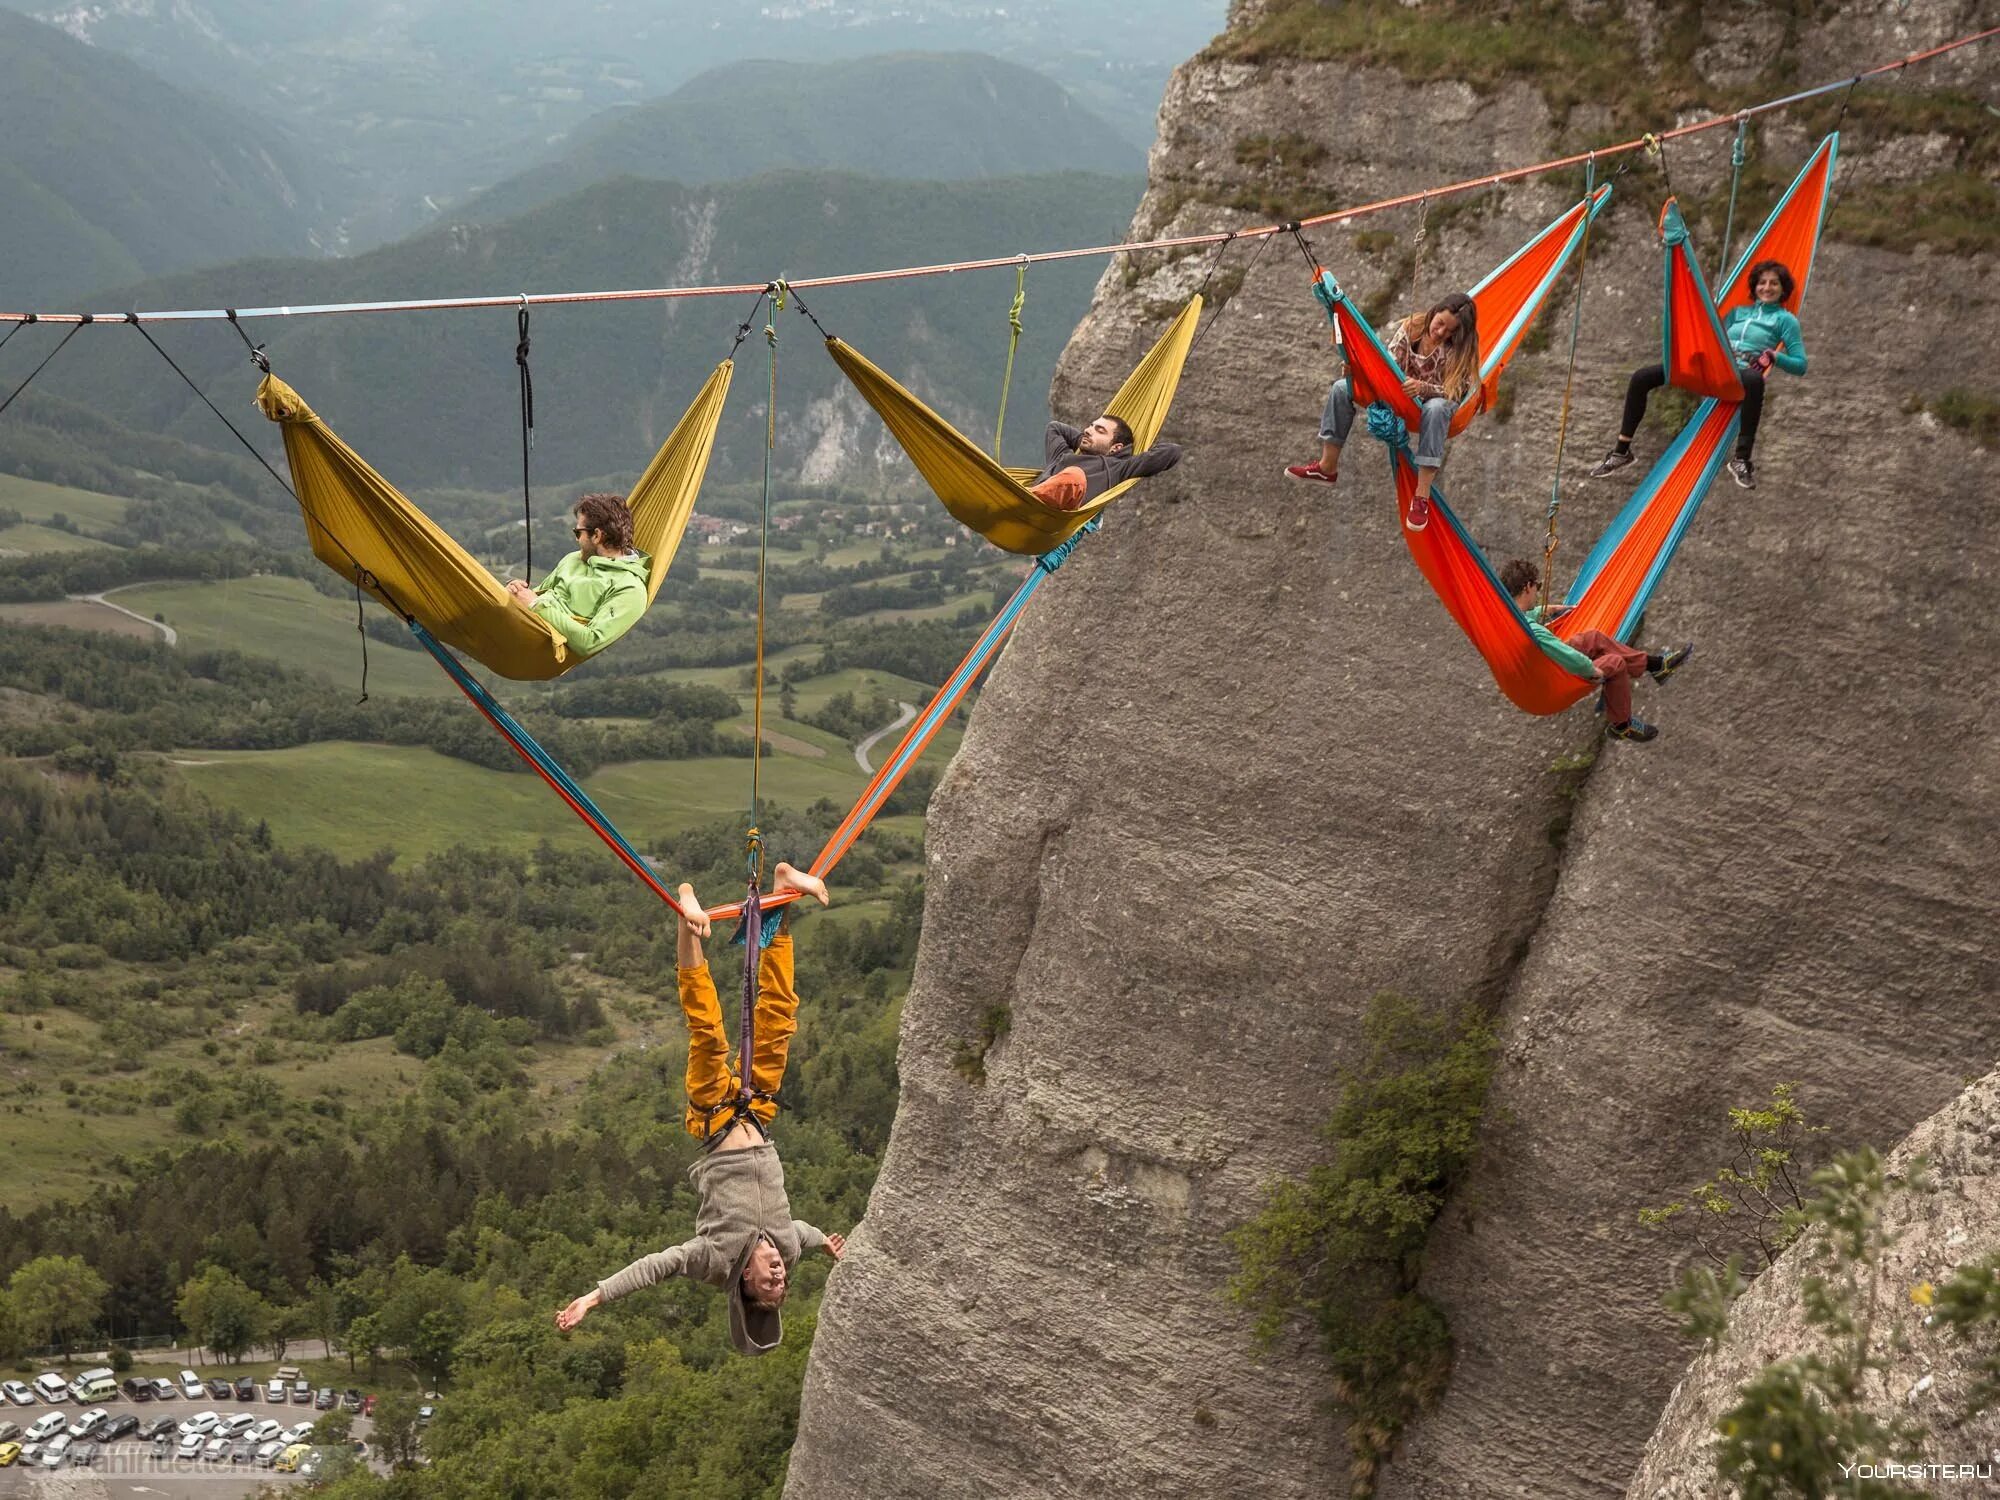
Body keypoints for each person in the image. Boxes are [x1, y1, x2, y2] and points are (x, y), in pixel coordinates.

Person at [554, 863, 846, 1356]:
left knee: (708, 1031)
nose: (778, 1273)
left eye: (767, 1284)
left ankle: (686, 917)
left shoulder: (714, 1261)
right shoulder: (791, 1247)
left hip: (713, 1119)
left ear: (744, 1284)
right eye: (782, 1283)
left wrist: (594, 1297)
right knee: (779, 1016)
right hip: (758, 1110)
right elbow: (806, 1231)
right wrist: (827, 1246)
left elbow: (657, 1266)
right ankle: (780, 893)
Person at [1590, 259, 1807, 491]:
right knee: (1641, 377)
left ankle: (1742, 459)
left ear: (1783, 288)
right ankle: (1622, 451)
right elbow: (1712, 335)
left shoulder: (1786, 320)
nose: (1767, 287)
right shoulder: (1737, 313)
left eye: (1774, 283)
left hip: (1741, 371)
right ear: (1754, 287)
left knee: (1754, 382)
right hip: (1714, 364)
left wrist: (1775, 356)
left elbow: (1800, 364)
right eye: (1762, 282)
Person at [1286, 291, 1481, 533]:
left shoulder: (1460, 351)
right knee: (1341, 387)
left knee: (1437, 408)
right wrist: (1357, 372)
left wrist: (1423, 388)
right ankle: (1327, 467)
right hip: (1399, 396)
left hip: (1434, 403)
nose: (1441, 332)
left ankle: (1421, 497)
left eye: (1450, 331)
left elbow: (1457, 392)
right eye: (1440, 323)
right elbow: (1387, 365)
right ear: (1434, 312)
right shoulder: (1413, 328)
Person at [1498, 558, 1692, 743]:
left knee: (1593, 638)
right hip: (1552, 683)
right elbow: (1563, 654)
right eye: (1537, 587)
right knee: (1614, 663)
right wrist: (1592, 670)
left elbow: (1526, 618)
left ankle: (1657, 665)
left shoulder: (1508, 618)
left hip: (1540, 673)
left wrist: (1544, 610)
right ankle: (1622, 726)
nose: (1538, 592)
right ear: (1527, 587)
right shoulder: (1533, 631)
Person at [505, 492, 651, 656]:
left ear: (597, 535)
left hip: (536, 644)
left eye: (578, 533)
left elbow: (590, 642)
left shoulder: (629, 588)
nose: (576, 540)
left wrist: (535, 605)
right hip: (518, 623)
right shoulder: (573, 559)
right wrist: (517, 592)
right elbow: (536, 595)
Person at [1027, 414, 1183, 510]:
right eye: (1091, 426)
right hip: (1027, 506)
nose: (1088, 430)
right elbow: (1055, 428)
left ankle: (1027, 500)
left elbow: (1172, 451)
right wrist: (1085, 440)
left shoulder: (1119, 468)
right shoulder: (1061, 455)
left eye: (1099, 431)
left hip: (1051, 516)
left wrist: (1124, 454)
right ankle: (1025, 498)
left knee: (1074, 476)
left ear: (1116, 447)